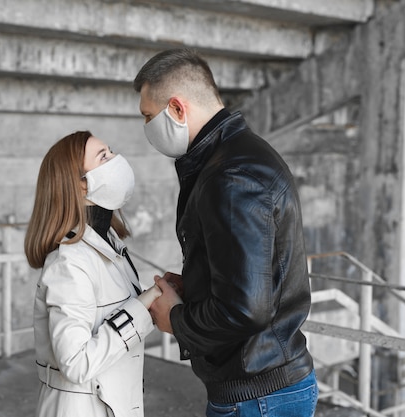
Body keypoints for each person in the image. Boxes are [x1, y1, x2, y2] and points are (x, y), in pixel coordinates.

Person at [133, 48, 318, 417]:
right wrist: (196, 286)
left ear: (177, 109)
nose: (147, 128)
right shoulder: (236, 157)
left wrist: (178, 321)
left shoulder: (231, 176)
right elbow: (249, 279)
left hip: (257, 397)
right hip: (265, 388)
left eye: (148, 117)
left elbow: (245, 309)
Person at [24, 131, 161, 417]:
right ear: (81, 186)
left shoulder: (109, 244)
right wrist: (142, 306)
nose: (116, 160)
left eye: (111, 152)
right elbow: (75, 363)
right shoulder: (69, 263)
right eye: (104, 156)